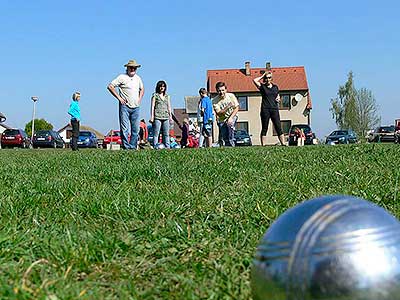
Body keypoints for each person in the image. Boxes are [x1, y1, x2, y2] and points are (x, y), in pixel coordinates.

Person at [107, 59, 144, 150]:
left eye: (134, 68)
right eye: (131, 68)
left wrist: (139, 99)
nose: (133, 69)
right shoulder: (122, 77)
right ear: (127, 68)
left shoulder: (138, 78)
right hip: (125, 106)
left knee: (135, 129)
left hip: (136, 107)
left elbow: (142, 89)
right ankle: (126, 147)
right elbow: (110, 86)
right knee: (125, 128)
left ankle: (132, 146)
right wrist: (119, 98)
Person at [253, 71, 286, 146]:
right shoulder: (262, 87)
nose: (268, 79)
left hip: (274, 109)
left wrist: (278, 98)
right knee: (265, 127)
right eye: (266, 78)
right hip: (265, 109)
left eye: (269, 77)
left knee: (278, 127)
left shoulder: (275, 87)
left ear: (272, 78)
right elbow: (254, 80)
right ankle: (263, 145)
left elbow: (277, 95)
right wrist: (263, 75)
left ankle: (283, 144)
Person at [212, 82, 239, 147]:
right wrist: (228, 106)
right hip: (222, 119)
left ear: (226, 90)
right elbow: (219, 113)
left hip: (232, 115)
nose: (221, 92)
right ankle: (228, 146)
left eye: (223, 90)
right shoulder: (214, 101)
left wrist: (231, 118)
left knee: (230, 124)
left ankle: (232, 143)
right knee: (225, 136)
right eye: (219, 91)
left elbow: (236, 107)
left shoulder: (231, 96)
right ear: (217, 91)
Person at [150, 80, 172, 148]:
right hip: (157, 116)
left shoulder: (167, 96)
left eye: (163, 86)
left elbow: (169, 106)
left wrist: (170, 116)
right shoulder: (155, 95)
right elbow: (152, 106)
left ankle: (167, 147)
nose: (162, 88)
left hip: (166, 117)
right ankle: (155, 146)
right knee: (156, 133)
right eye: (160, 86)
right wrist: (152, 117)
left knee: (166, 134)